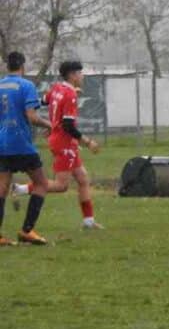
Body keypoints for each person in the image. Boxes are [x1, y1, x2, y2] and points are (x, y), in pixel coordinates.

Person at [13, 60, 102, 229]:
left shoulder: (57, 88)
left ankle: (88, 221)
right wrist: (87, 141)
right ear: (72, 75)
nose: (82, 76)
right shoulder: (70, 95)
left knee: (83, 179)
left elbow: (42, 101)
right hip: (64, 143)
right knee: (61, 185)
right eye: (80, 73)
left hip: (59, 140)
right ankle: (20, 189)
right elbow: (68, 126)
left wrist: (54, 122)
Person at [0, 52, 51, 245]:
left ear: (7, 66)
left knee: (2, 187)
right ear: (23, 66)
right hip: (21, 143)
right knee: (41, 183)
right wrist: (49, 124)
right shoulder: (26, 86)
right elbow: (32, 116)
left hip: (2, 143)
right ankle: (26, 231)